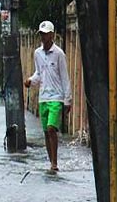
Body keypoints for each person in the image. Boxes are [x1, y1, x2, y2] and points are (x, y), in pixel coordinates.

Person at [24, 21, 72, 173]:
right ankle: (51, 161)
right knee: (46, 131)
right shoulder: (37, 53)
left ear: (52, 35)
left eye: (46, 34)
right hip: (43, 97)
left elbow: (65, 77)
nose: (43, 37)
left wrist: (67, 100)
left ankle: (55, 162)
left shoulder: (59, 54)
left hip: (56, 98)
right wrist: (30, 81)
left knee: (52, 128)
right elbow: (38, 73)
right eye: (41, 34)